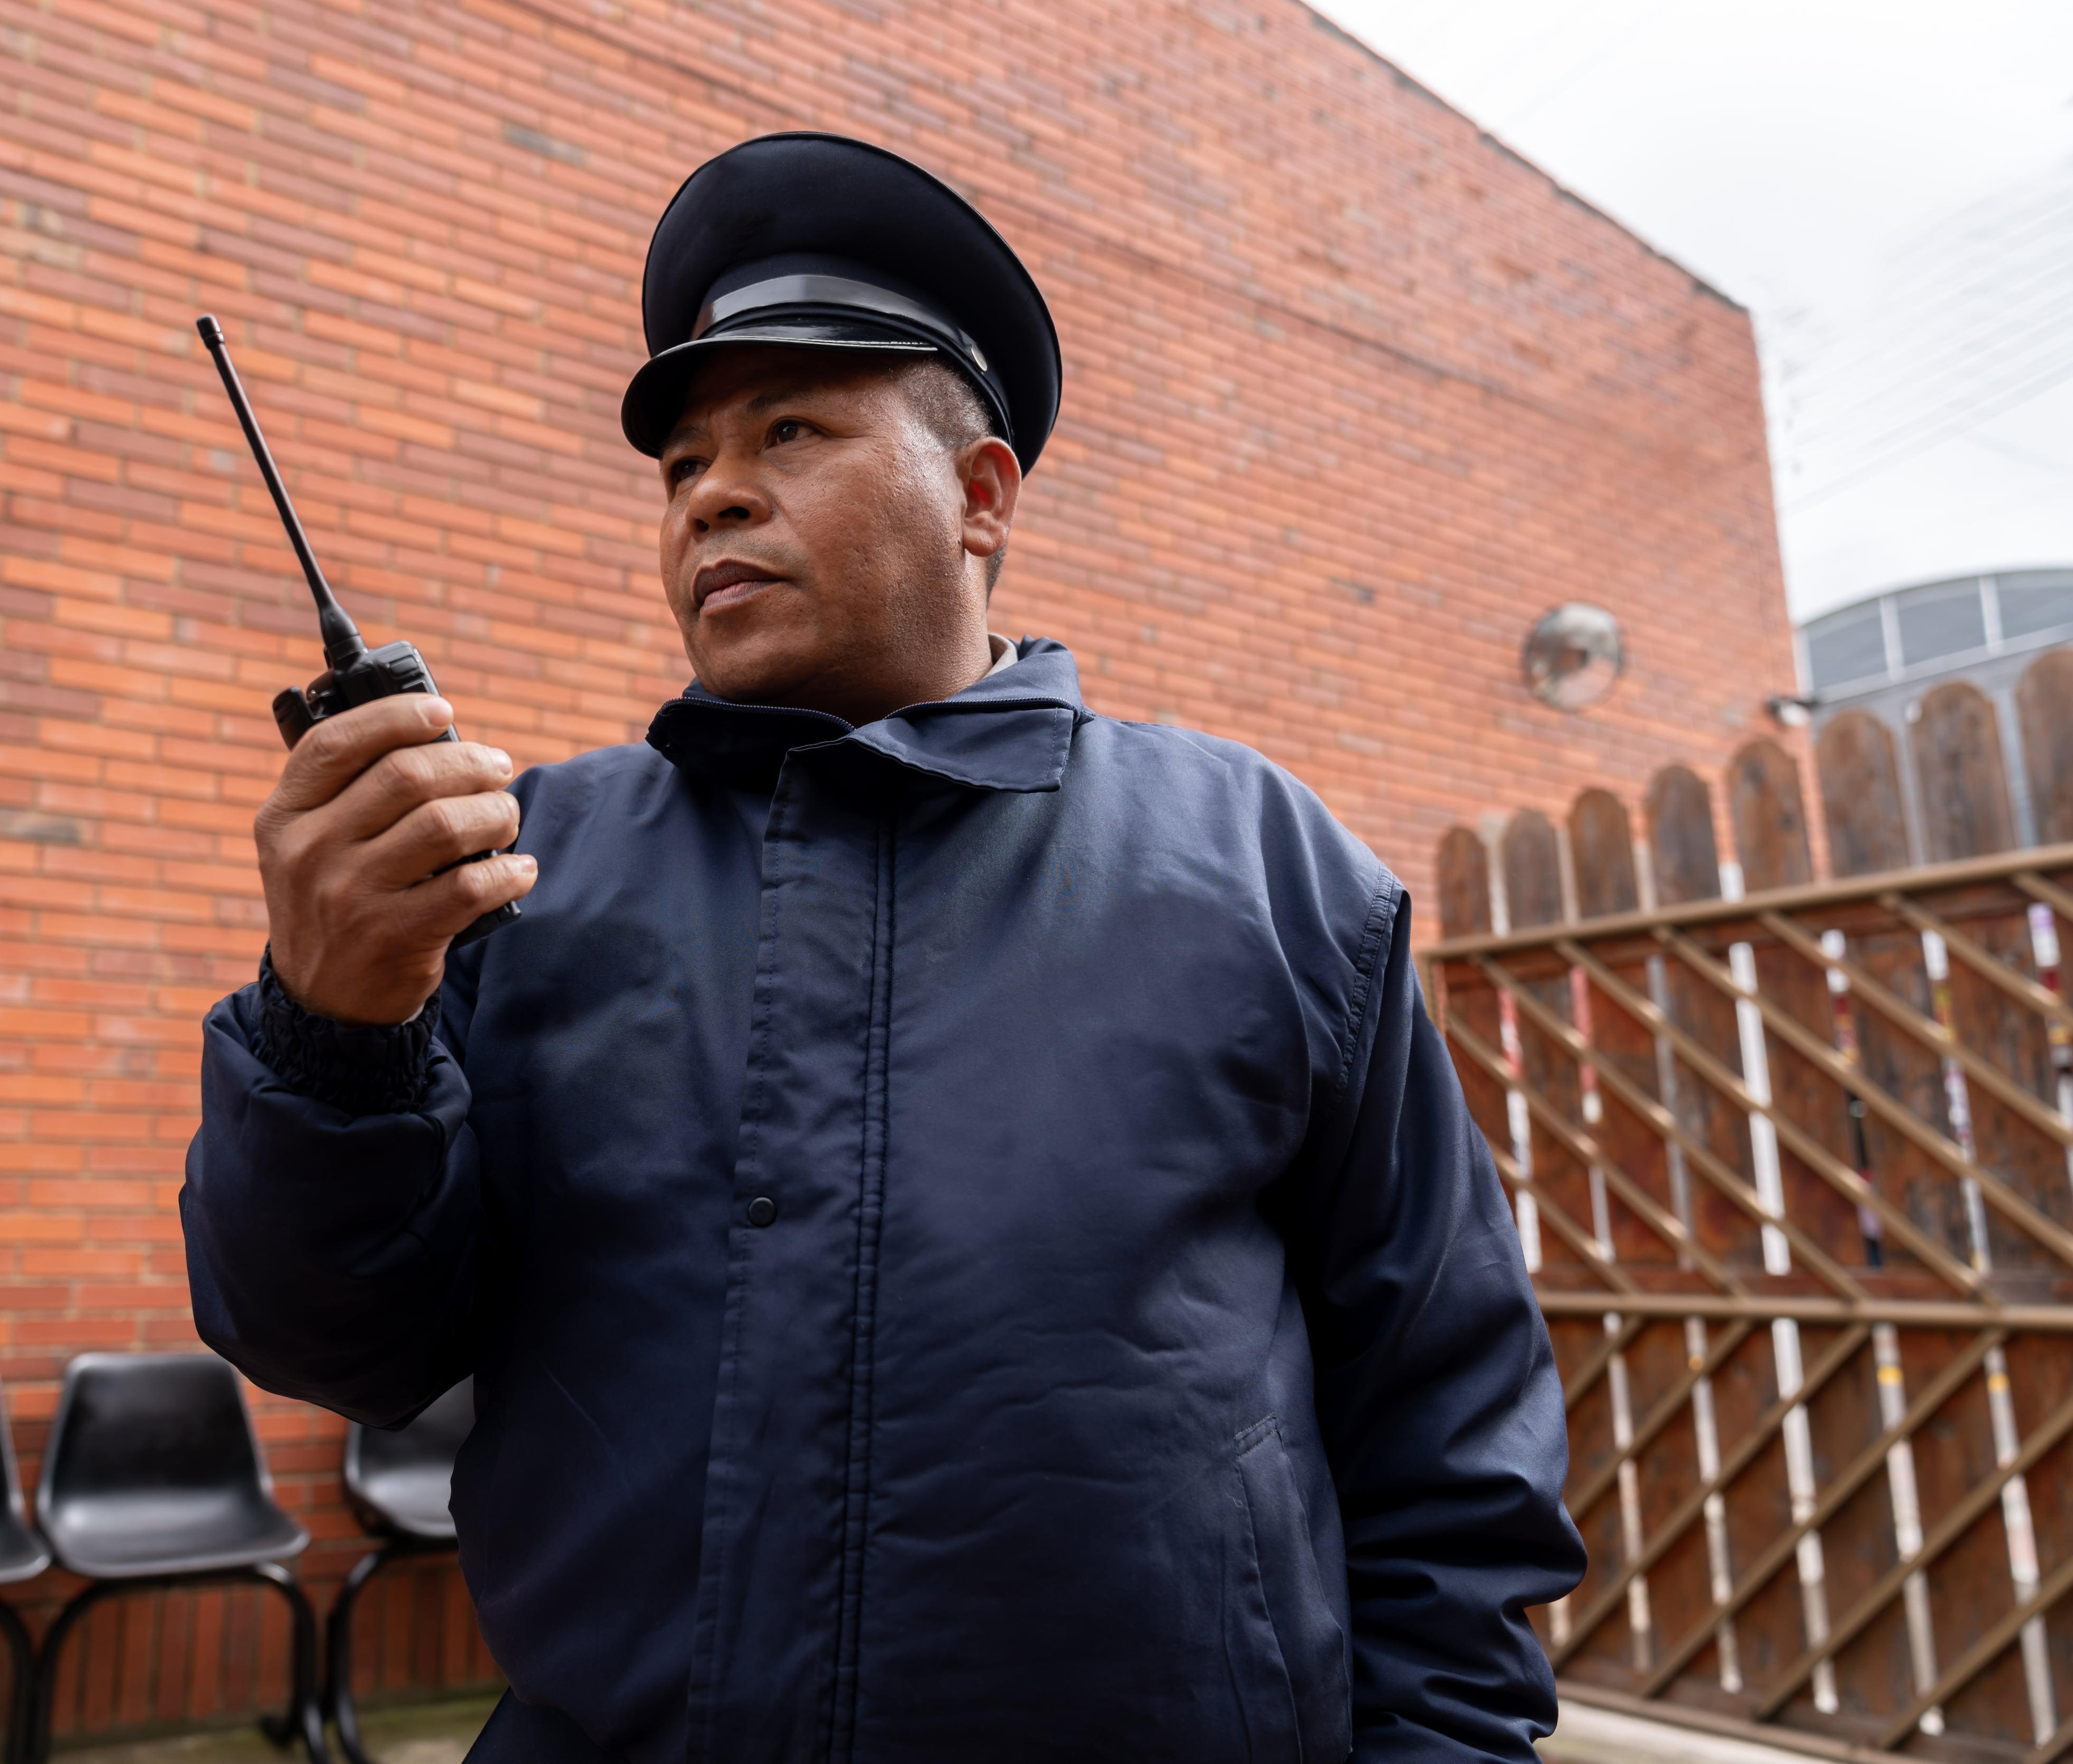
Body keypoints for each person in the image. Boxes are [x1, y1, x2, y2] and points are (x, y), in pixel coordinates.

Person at [182, 132, 1582, 1764]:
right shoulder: (517, 876)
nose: (713, 488)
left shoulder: (1260, 863)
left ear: (980, 498)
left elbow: (1447, 1409)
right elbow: (336, 1348)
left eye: (792, 428)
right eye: (682, 460)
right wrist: (336, 1030)